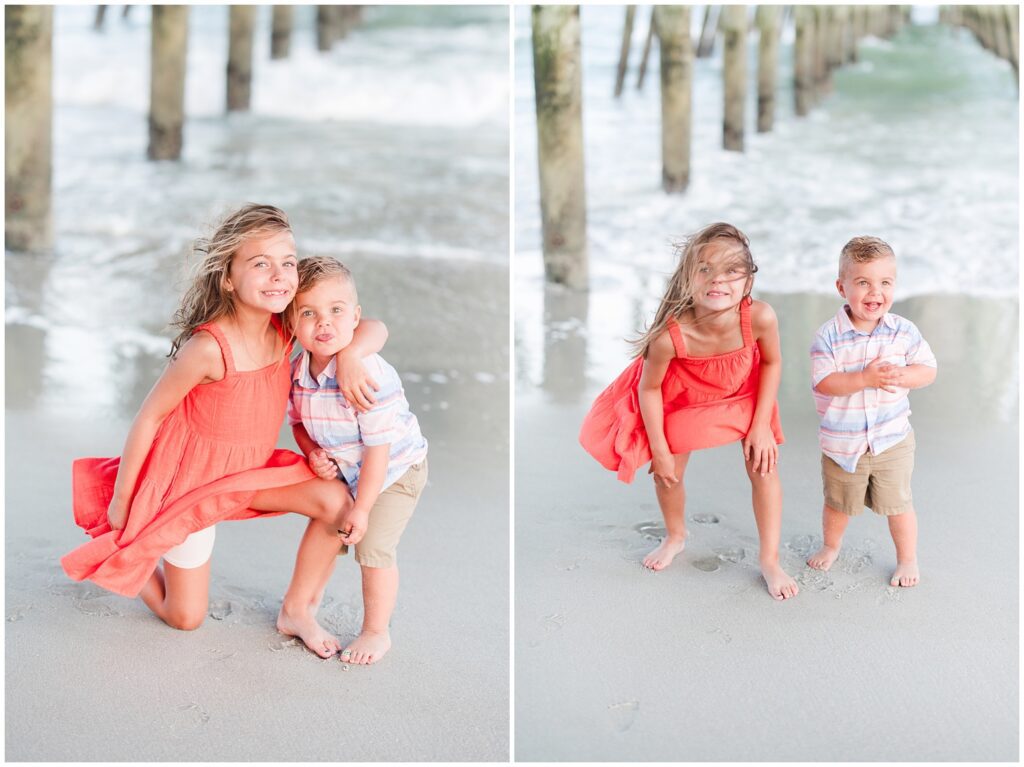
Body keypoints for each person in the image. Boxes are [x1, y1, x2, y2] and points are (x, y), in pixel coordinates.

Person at [61, 204, 387, 648]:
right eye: (261, 264)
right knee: (185, 617)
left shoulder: (290, 326)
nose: (279, 276)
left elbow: (372, 326)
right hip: (191, 485)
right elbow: (150, 416)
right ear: (228, 278)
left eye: (287, 263)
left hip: (248, 474)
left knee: (337, 503)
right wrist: (121, 499)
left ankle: (296, 611)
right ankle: (125, 542)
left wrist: (350, 356)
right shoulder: (208, 348)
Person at [579, 222, 798, 600]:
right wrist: (661, 452)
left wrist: (761, 425)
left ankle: (770, 559)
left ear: (748, 281)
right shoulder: (670, 336)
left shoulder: (759, 317)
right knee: (667, 474)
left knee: (764, 463)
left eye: (732, 270)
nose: (718, 280)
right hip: (682, 399)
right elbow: (649, 389)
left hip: (741, 391)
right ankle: (676, 536)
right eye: (705, 269)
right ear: (687, 279)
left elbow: (771, 364)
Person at [285, 255, 428, 665]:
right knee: (331, 529)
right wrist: (313, 453)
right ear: (292, 323)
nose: (323, 323)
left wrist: (363, 509)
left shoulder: (365, 373)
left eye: (336, 311)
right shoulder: (299, 374)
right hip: (350, 470)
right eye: (308, 313)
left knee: (373, 547)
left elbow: (379, 449)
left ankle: (377, 632)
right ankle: (301, 608)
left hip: (396, 470)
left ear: (355, 318)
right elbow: (298, 424)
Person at [806, 236, 936, 587]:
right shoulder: (828, 337)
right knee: (838, 504)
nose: (874, 292)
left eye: (884, 283)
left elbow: (928, 369)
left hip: (891, 439)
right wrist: (864, 378)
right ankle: (831, 546)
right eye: (862, 282)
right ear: (841, 287)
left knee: (899, 504)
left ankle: (907, 559)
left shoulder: (902, 332)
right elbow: (824, 382)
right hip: (842, 443)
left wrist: (903, 375)